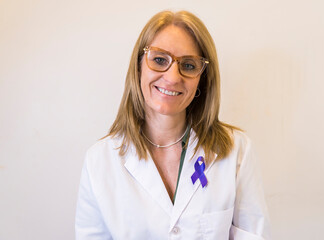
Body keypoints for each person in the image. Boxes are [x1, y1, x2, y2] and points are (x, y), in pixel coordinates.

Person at [75, 10, 271, 240]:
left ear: (202, 78)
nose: (172, 77)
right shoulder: (99, 161)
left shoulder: (237, 151)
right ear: (138, 67)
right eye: (159, 60)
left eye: (188, 66)